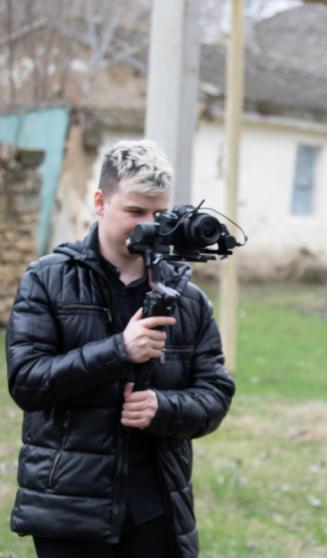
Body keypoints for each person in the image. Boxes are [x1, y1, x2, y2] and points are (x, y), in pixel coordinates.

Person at [5, 140, 236, 557]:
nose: (148, 225)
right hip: (70, 509)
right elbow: (27, 383)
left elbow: (215, 394)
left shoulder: (188, 298)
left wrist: (162, 409)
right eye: (134, 211)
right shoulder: (46, 280)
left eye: (158, 214)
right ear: (100, 201)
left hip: (156, 510)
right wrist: (119, 350)